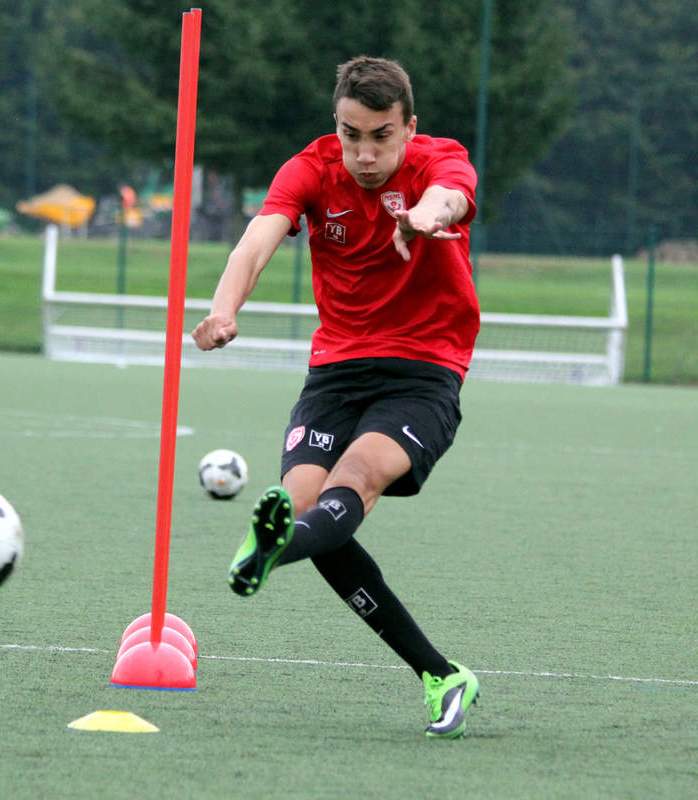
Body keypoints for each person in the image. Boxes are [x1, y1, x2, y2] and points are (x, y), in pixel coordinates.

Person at [191, 56, 481, 739]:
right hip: (336, 371)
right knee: (303, 507)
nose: (365, 152)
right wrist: (225, 309)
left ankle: (268, 551)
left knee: (353, 481)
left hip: (423, 368)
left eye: (381, 135)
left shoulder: (441, 161)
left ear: (410, 128)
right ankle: (441, 673)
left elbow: (452, 198)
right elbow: (257, 239)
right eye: (352, 134)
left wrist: (418, 219)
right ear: (337, 126)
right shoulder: (311, 170)